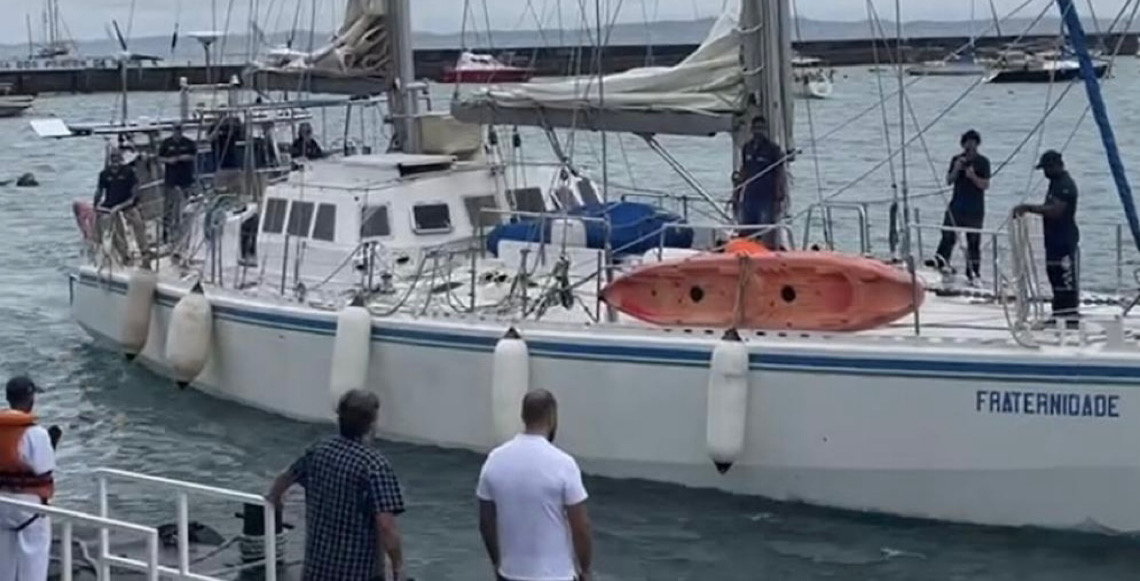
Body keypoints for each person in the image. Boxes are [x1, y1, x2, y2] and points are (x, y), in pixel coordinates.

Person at [267, 390, 405, 581]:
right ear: (371, 424)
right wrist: (398, 567)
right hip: (357, 573)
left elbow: (283, 479)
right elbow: (386, 525)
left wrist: (276, 500)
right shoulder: (374, 465)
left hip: (317, 569)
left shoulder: (319, 450)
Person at [477, 390, 592, 581]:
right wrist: (586, 569)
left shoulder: (494, 460)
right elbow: (581, 526)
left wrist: (497, 562)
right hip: (556, 575)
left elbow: (485, 522)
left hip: (510, 574)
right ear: (552, 418)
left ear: (523, 416)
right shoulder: (563, 463)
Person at [0, 376, 59, 581]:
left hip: (1, 502)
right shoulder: (36, 433)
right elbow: (44, 469)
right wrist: (51, 445)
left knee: (4, 557)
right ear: (30, 398)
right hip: (28, 506)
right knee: (34, 555)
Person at [1014, 150, 1080, 322]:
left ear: (1055, 166)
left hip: (1064, 239)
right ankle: (1058, 313)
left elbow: (1056, 211)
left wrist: (1028, 208)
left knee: (1065, 278)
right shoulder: (1054, 183)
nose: (1044, 173)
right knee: (1054, 274)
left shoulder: (1065, 184)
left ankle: (1070, 315)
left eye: (1046, 168)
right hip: (1052, 238)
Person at [934, 129, 991, 283]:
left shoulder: (983, 162)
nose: (969, 147)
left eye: (973, 143)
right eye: (967, 143)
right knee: (947, 236)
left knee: (973, 242)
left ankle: (973, 273)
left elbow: (985, 185)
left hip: (975, 208)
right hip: (957, 205)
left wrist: (972, 176)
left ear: (977, 144)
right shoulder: (956, 159)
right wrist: (957, 168)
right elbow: (949, 180)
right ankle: (941, 263)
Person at [733, 116, 788, 249]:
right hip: (750, 195)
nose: (759, 131)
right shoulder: (747, 148)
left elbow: (779, 173)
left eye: (761, 128)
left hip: (767, 196)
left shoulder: (773, 149)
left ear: (765, 130)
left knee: (765, 230)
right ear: (752, 129)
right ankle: (746, 251)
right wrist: (737, 192)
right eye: (756, 128)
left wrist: (780, 194)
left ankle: (766, 252)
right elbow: (744, 170)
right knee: (746, 229)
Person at [94, 149, 150, 265]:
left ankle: (144, 250)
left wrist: (123, 205)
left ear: (121, 158)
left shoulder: (128, 172)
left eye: (117, 157)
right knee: (117, 230)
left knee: (138, 223)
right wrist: (96, 205)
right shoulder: (104, 174)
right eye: (113, 157)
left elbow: (135, 192)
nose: (115, 159)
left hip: (127, 203)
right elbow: (99, 191)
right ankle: (124, 255)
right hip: (111, 205)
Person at [157, 124, 198, 246]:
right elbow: (159, 158)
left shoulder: (189, 143)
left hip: (186, 180)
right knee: (168, 208)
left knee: (186, 206)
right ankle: (165, 234)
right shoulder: (166, 143)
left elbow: (194, 155)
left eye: (179, 130)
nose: (178, 132)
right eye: (176, 130)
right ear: (173, 131)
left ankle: (185, 232)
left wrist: (184, 157)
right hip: (171, 180)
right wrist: (169, 160)